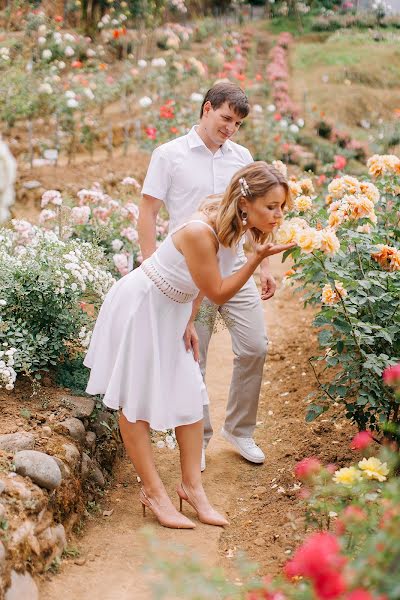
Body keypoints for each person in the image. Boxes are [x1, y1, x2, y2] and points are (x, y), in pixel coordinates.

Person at [84, 162, 294, 530]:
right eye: (271, 207)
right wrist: (257, 260)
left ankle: (192, 489)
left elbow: (200, 283)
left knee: (191, 394)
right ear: (246, 202)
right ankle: (154, 492)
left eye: (281, 207)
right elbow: (217, 289)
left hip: (173, 308)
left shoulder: (235, 219)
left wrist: (188, 319)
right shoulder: (202, 230)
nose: (278, 215)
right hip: (144, 306)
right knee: (134, 401)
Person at [139, 82, 276, 471]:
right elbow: (148, 210)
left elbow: (255, 213)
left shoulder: (242, 157)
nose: (230, 128)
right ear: (206, 109)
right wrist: (150, 266)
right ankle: (196, 440)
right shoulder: (169, 155)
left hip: (234, 273)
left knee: (255, 347)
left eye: (237, 123)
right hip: (187, 279)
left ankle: (240, 430)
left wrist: (263, 265)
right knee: (191, 361)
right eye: (225, 118)